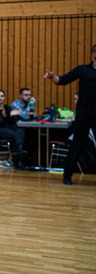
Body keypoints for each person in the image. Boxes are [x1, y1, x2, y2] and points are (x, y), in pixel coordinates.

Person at [44, 44, 96, 185]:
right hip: (84, 113)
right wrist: (52, 77)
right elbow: (62, 80)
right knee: (78, 143)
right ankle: (67, 176)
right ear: (93, 54)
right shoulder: (83, 70)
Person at [0, 89, 26, 168]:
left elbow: (11, 122)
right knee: (16, 135)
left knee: (21, 130)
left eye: (2, 96)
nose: (0, 98)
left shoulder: (7, 107)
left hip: (9, 128)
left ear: (4, 98)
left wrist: (12, 116)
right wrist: (3, 117)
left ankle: (18, 154)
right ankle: (17, 157)